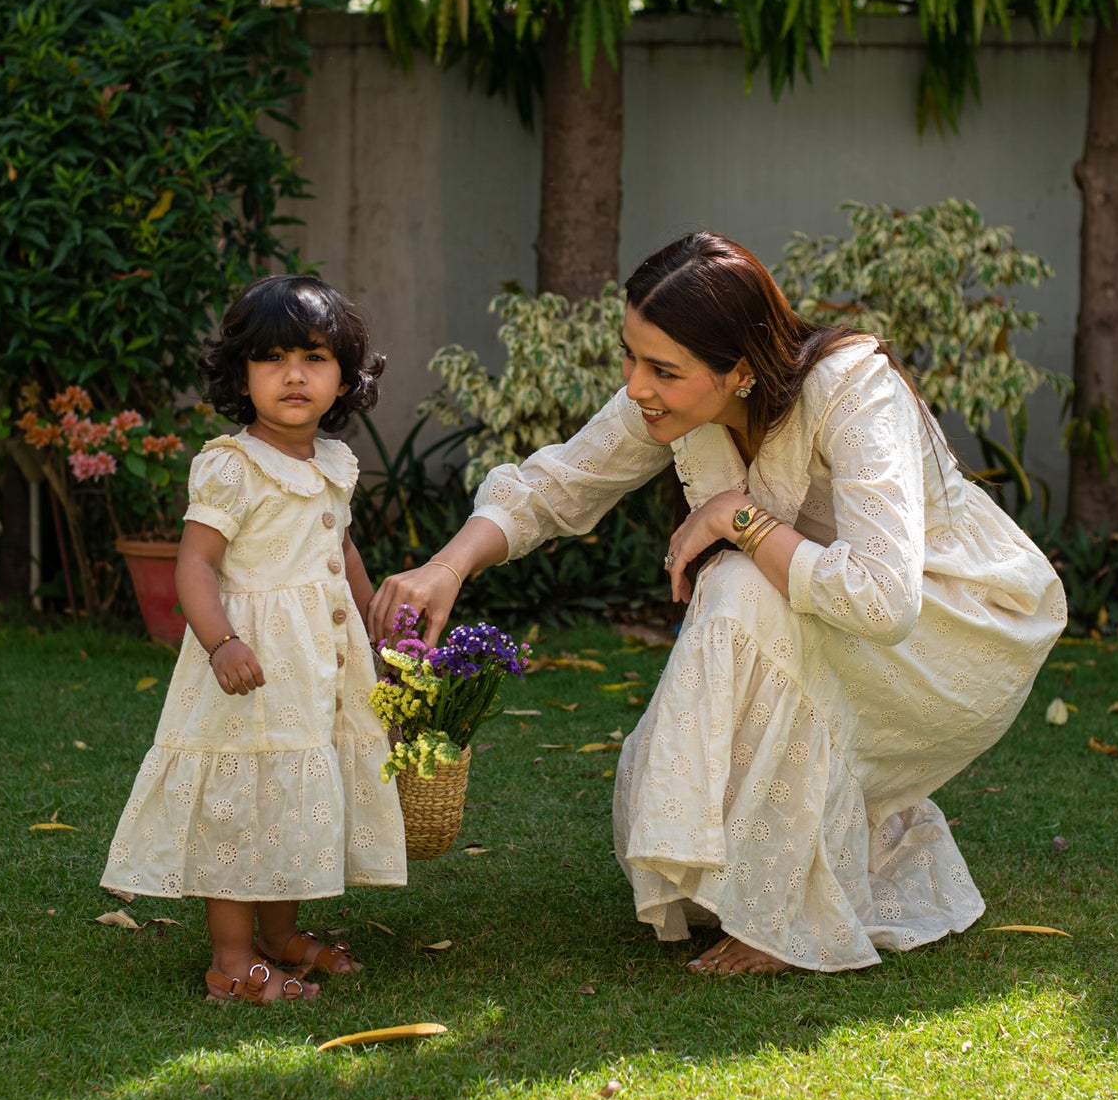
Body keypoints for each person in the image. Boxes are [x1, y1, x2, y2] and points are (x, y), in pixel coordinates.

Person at [370, 231, 1066, 976]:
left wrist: (740, 517)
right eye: (629, 356)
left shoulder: (855, 390)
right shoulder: (671, 395)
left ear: (738, 371)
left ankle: (780, 915)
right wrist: (447, 567)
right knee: (739, 587)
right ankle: (763, 877)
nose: (636, 386)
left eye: (661, 369)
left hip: (960, 627)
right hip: (844, 614)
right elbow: (558, 482)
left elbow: (882, 599)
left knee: (736, 581)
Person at [103, 276, 405, 1004]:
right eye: (270, 358)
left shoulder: (332, 461)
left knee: (291, 799)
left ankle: (280, 933)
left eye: (314, 357)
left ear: (345, 376)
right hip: (255, 666)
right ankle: (232, 960)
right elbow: (196, 563)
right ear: (240, 374)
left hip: (317, 668)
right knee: (244, 799)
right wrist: (221, 641)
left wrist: (374, 627)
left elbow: (344, 549)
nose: (293, 375)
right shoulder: (230, 465)